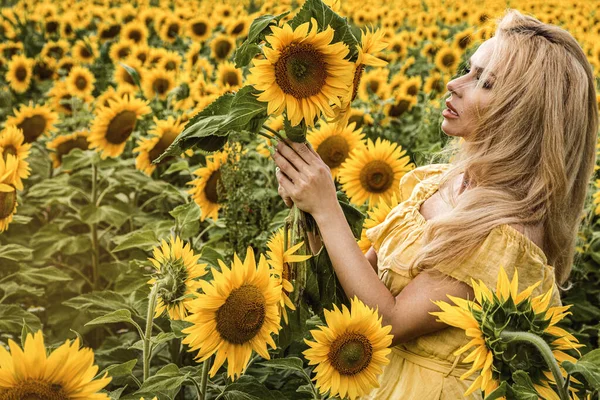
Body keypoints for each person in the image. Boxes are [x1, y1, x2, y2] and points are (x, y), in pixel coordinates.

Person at [271, 9, 598, 400]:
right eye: (468, 69)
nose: (454, 83)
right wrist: (309, 210)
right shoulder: (436, 184)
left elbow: (389, 321)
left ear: (522, 116)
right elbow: (359, 288)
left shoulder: (504, 233)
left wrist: (328, 208)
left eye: (485, 81)